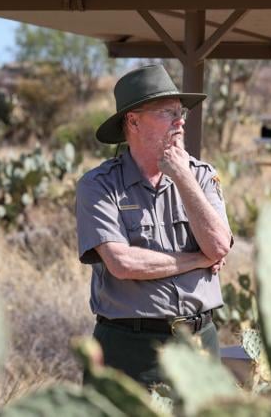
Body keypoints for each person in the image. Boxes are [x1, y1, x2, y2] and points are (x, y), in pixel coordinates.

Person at [75, 64, 233, 388]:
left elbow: (219, 246)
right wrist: (198, 260)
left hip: (199, 342)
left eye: (181, 112)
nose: (180, 121)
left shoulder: (201, 175)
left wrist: (183, 176)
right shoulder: (98, 185)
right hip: (130, 349)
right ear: (133, 121)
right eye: (167, 112)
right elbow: (122, 263)